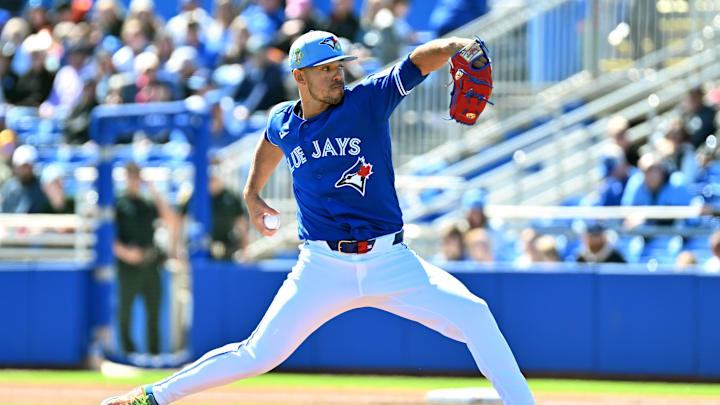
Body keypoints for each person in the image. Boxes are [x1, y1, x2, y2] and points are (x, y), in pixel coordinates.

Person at [101, 31, 535, 405]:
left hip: (390, 260)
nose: (336, 73)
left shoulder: (366, 101)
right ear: (300, 78)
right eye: (325, 67)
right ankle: (152, 396)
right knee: (257, 355)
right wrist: (252, 193)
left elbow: (419, 60)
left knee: (475, 315)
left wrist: (458, 46)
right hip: (321, 268)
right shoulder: (284, 121)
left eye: (338, 65)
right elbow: (271, 143)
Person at [113, 162, 179, 356]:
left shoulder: (147, 203)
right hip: (127, 266)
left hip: (150, 264)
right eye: (130, 177)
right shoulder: (119, 203)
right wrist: (125, 253)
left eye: (137, 177)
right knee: (125, 313)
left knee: (154, 313)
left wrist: (154, 191)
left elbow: (171, 220)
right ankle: (128, 353)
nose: (134, 181)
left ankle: (154, 355)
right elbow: (108, 237)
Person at [179, 161, 249, 261]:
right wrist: (179, 249)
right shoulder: (195, 197)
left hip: (227, 249)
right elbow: (180, 222)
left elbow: (242, 224)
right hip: (199, 249)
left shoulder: (231, 197)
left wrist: (245, 250)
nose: (212, 178)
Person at [0, 144, 48, 213]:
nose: (24, 170)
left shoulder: (41, 187)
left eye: (27, 166)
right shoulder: (9, 186)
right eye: (21, 167)